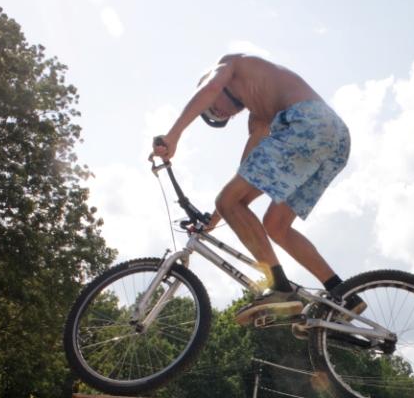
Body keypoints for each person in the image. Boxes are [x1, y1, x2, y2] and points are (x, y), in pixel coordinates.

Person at [150, 53, 360, 325]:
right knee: (276, 226)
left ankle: (279, 288)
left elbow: (211, 87)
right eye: (216, 116)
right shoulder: (259, 115)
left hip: (308, 124)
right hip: (335, 140)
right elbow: (246, 172)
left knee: (230, 201)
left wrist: (173, 135)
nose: (218, 114)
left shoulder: (231, 63)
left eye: (212, 108)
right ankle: (343, 295)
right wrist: (216, 218)